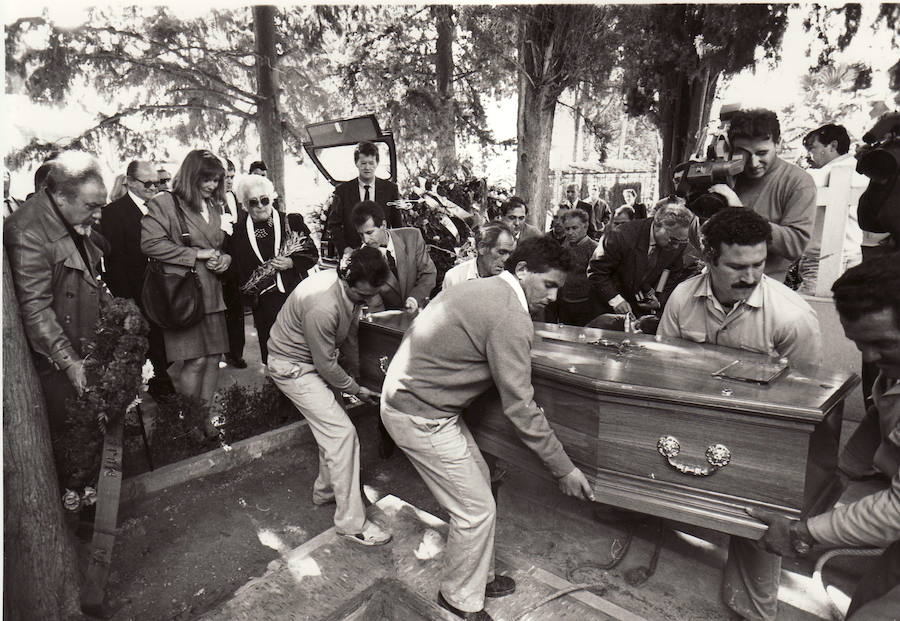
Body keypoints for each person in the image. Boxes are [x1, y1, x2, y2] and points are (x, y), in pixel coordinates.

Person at [381, 236, 595, 620]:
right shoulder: (511, 313)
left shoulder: (484, 287)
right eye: (548, 284)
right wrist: (564, 468)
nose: (553, 296)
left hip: (421, 404)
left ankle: (479, 575)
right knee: (475, 510)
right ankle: (458, 601)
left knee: (480, 485)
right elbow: (521, 407)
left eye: (558, 288)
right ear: (523, 270)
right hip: (419, 414)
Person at [658, 207, 821, 621]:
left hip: (760, 434)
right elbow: (660, 370)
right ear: (709, 258)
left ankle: (751, 612)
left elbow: (803, 405)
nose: (750, 277)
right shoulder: (681, 298)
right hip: (692, 419)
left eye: (759, 264)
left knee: (759, 522)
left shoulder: (793, 317)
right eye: (737, 266)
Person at [749, 254, 900, 620]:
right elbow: (879, 415)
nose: (869, 355)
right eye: (858, 343)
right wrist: (836, 482)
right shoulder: (893, 368)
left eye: (882, 342)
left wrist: (807, 530)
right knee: (866, 602)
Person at [267, 246, 392, 546]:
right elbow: (325, 364)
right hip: (293, 367)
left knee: (331, 428)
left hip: (310, 361)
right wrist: (355, 389)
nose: (368, 302)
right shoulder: (323, 305)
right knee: (342, 434)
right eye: (363, 296)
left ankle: (325, 492)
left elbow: (347, 336)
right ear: (347, 281)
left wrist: (358, 378)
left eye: (373, 295)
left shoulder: (349, 291)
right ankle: (351, 524)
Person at [5, 150, 110, 483]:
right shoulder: (27, 232)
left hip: (83, 344)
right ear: (60, 197)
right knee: (71, 441)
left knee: (92, 434)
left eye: (101, 206)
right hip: (57, 361)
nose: (98, 216)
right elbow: (35, 308)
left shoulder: (72, 218)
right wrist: (70, 362)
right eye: (91, 206)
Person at [141, 149, 232, 436]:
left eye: (216, 180)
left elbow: (220, 247)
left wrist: (223, 260)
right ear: (191, 175)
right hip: (183, 297)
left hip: (213, 294)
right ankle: (190, 422)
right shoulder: (165, 203)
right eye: (206, 179)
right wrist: (197, 254)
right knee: (194, 361)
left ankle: (205, 418)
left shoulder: (216, 205)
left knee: (213, 358)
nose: (212, 186)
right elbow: (150, 244)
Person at [709, 108, 817, 284]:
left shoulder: (798, 182)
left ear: (778, 143)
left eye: (761, 153)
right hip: (717, 282)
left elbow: (795, 244)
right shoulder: (727, 173)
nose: (753, 163)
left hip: (764, 286)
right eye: (743, 152)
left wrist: (741, 214)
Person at [99, 160, 174, 397]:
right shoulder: (112, 213)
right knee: (154, 351)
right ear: (130, 182)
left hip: (170, 290)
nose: (154, 188)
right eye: (148, 183)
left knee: (171, 348)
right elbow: (115, 265)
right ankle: (166, 402)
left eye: (158, 183)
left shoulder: (165, 206)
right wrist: (130, 304)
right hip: (139, 294)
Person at [230, 175, 318, 363]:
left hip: (294, 294)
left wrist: (291, 263)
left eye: (265, 200)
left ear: (272, 199)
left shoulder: (291, 222)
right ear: (245, 205)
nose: (260, 206)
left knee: (300, 347)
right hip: (264, 302)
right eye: (253, 202)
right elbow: (237, 268)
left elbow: (312, 254)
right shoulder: (239, 232)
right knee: (272, 353)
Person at [587, 197, 695, 328]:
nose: (677, 247)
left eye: (681, 242)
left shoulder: (677, 242)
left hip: (639, 314)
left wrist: (658, 298)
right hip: (605, 307)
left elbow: (670, 274)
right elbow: (596, 271)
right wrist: (615, 300)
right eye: (673, 240)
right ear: (658, 225)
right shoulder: (620, 236)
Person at [797, 123, 866, 295]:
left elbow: (793, 186)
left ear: (833, 146)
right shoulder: (863, 176)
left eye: (813, 148)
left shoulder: (821, 175)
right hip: (855, 256)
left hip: (821, 259)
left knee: (808, 309)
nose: (810, 155)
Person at [351, 200, 436, 314]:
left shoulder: (413, 236)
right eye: (361, 234)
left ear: (384, 225)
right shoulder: (363, 260)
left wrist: (414, 299)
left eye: (370, 232)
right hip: (388, 323)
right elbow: (375, 304)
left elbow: (428, 273)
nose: (365, 240)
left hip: (419, 315)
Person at [326, 141, 402, 255]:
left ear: (377, 163)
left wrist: (392, 250)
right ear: (356, 163)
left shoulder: (390, 189)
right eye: (363, 163)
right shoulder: (342, 191)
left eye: (371, 163)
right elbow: (333, 226)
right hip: (353, 253)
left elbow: (397, 225)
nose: (367, 167)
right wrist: (346, 249)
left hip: (383, 254)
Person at [219, 157, 245, 369]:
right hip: (216, 265)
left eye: (231, 177)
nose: (228, 181)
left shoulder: (237, 198)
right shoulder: (209, 201)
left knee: (236, 311)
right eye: (225, 177)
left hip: (235, 266)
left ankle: (235, 352)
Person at [441, 220, 515, 291]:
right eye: (501, 252)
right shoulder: (455, 277)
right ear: (482, 248)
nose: (506, 259)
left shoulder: (511, 283)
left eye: (510, 253)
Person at [556, 209, 598, 326]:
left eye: (575, 228)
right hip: (565, 302)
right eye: (567, 229)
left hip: (586, 304)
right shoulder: (564, 247)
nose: (570, 232)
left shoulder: (594, 248)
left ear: (585, 227)